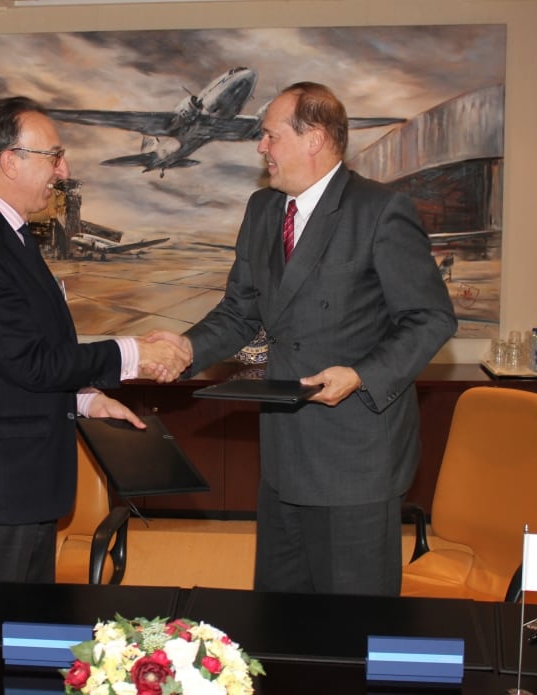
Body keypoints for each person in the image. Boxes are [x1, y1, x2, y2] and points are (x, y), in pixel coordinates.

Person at [149, 82, 456, 596]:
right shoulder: (264, 210)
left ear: (313, 138)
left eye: (270, 135)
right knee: (280, 621)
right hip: (284, 457)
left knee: (349, 632)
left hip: (354, 459)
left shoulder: (380, 211)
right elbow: (239, 311)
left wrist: (360, 375)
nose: (260, 147)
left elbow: (431, 317)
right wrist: (186, 348)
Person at [0, 96, 190, 583]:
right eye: (54, 155)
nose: (63, 169)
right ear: (11, 160)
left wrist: (89, 401)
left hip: (25, 483)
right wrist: (135, 353)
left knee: (25, 633)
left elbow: (18, 358)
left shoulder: (12, 236)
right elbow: (29, 362)